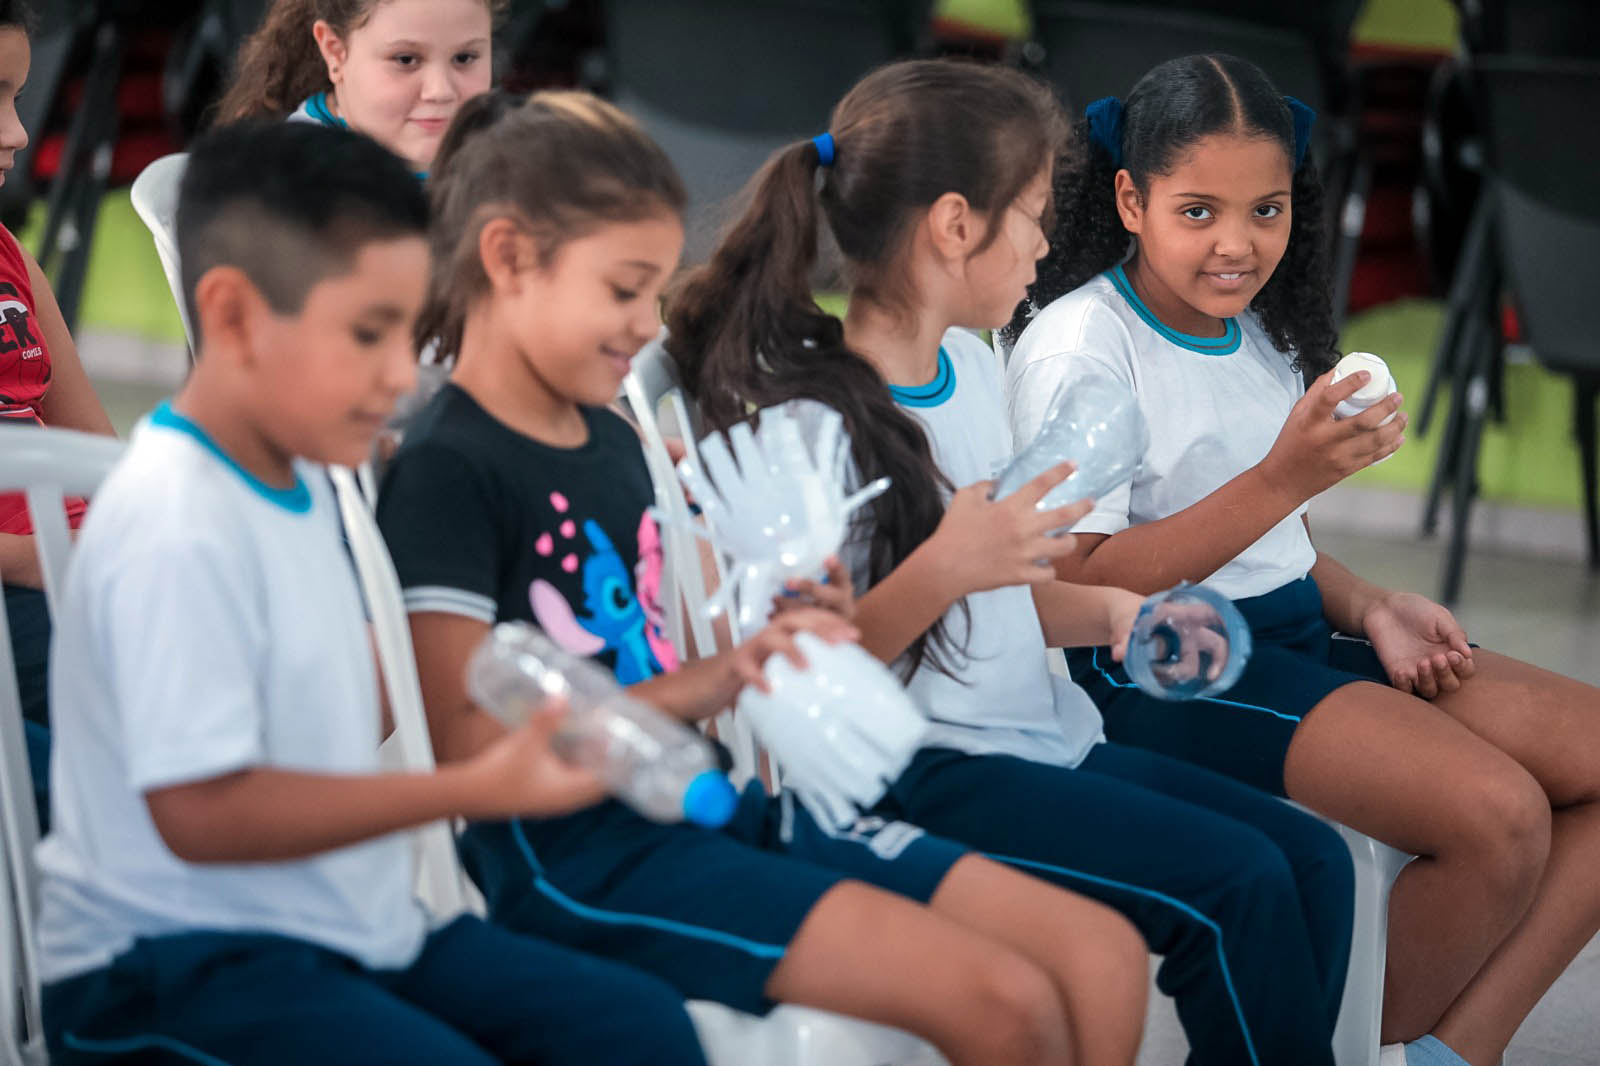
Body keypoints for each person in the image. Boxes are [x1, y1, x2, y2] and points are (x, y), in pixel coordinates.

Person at [378, 88, 1151, 1066]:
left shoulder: (611, 443)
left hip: (707, 806)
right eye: (623, 291)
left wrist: (785, 621)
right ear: (508, 259)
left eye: (654, 294)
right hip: (581, 864)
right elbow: (470, 748)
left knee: (1097, 955)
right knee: (1005, 1005)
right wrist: (717, 679)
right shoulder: (448, 467)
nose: (644, 329)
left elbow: (697, 634)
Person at [667, 56, 1355, 1066]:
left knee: (1312, 860)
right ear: (955, 226)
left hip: (1040, 738)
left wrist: (1116, 615)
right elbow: (806, 665)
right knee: (1239, 885)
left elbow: (1013, 599)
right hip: (922, 773)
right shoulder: (815, 416)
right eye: (1031, 215)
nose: (1044, 242)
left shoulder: (970, 364)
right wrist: (947, 565)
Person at [36, 119, 712, 1066]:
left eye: (409, 334)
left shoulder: (308, 476)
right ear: (232, 316)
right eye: (367, 335)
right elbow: (201, 815)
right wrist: (469, 787)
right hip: (168, 971)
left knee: (640, 1028)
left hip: (351, 930)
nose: (402, 377)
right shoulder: (176, 521)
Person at [1007, 52, 1600, 1066]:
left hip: (1292, 635)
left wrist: (1368, 603)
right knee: (1498, 816)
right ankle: (1335, 1048)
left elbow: (1272, 547)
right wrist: (1285, 477)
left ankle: (1443, 1054)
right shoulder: (1083, 346)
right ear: (1131, 200)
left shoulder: (1260, 330)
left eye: (1266, 210)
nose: (1237, 244)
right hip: (1168, 667)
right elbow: (1073, 582)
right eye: (1198, 211)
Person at [0, 0, 116, 830]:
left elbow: (105, 462)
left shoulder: (11, 259)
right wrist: (33, 559)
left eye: (15, 98)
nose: (16, 133)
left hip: (86, 579)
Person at [216, 0, 497, 175]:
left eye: (464, 58)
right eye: (405, 59)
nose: (440, 91)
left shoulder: (492, 157)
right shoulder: (297, 186)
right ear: (335, 52)